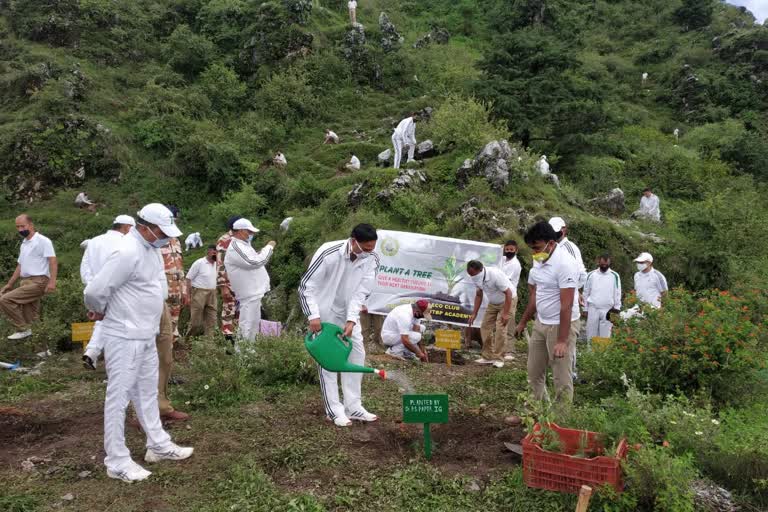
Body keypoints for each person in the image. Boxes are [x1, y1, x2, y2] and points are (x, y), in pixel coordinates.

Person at [84, 203, 193, 482]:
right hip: (124, 334)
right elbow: (96, 289)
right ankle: (117, 460)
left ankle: (157, 445)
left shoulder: (151, 250)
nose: (167, 238)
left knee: (146, 392)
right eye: (163, 232)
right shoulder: (127, 251)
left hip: (145, 334)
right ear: (145, 227)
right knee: (118, 397)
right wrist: (98, 309)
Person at [298, 223, 380, 427]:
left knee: (356, 356)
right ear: (354, 241)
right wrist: (313, 315)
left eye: (372, 248)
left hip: (348, 313)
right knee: (329, 362)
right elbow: (306, 286)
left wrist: (352, 320)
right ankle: (334, 410)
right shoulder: (329, 252)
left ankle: (353, 406)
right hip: (325, 313)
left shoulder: (372, 259)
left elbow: (362, 292)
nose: (370, 252)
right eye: (366, 248)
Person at [515, 221, 581, 403]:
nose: (534, 253)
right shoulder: (539, 260)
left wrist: (562, 340)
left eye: (537, 248)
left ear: (551, 243)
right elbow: (537, 293)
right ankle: (532, 414)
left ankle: (560, 423)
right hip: (541, 323)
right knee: (533, 371)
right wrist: (522, 321)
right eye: (531, 249)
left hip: (561, 326)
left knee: (561, 377)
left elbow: (566, 305)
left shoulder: (566, 264)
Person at [80, 215, 136, 369]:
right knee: (119, 328)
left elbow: (85, 268)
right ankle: (115, 365)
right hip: (120, 291)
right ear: (126, 227)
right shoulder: (126, 242)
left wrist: (92, 287)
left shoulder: (94, 241)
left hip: (96, 291)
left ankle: (91, 352)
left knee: (103, 321)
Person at [0, 214, 57, 340]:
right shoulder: (24, 243)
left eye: (22, 226)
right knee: (32, 318)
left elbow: (53, 261)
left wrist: (52, 282)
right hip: (25, 282)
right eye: (17, 227)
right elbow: (20, 266)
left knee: (5, 300)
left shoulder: (43, 241)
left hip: (39, 281)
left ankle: (22, 329)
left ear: (31, 225)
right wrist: (9, 284)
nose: (20, 229)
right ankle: (43, 352)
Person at [225, 218, 276, 343]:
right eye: (249, 231)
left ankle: (249, 354)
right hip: (249, 295)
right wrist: (269, 248)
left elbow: (253, 259)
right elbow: (254, 262)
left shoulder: (243, 245)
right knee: (247, 326)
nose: (251, 234)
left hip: (254, 294)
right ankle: (243, 357)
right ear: (241, 231)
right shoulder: (236, 247)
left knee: (252, 326)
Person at [466, 260, 514, 368]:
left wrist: (506, 313)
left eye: (473, 274)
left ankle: (499, 358)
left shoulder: (494, 275)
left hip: (507, 300)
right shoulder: (476, 277)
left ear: (481, 270)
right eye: (470, 274)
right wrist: (474, 313)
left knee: (500, 327)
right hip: (493, 303)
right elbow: (479, 295)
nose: (472, 277)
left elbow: (509, 293)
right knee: (485, 327)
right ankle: (488, 357)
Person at [583, 254, 622, 341]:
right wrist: (585, 309)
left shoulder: (615, 275)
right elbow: (586, 292)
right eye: (602, 263)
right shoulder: (591, 275)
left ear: (609, 263)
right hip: (593, 308)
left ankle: (603, 354)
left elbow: (617, 293)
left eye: (606, 264)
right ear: (598, 262)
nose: (604, 265)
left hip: (608, 309)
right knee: (591, 335)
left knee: (605, 337)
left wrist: (617, 309)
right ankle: (590, 354)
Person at [216, 216, 241, 341]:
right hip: (229, 283)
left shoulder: (241, 239)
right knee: (229, 311)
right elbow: (220, 264)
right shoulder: (225, 240)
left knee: (240, 312)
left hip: (241, 284)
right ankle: (228, 340)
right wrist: (223, 286)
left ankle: (239, 339)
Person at [185, 246, 218, 338]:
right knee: (195, 321)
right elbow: (188, 278)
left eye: (217, 253)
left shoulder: (217, 264)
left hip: (212, 293)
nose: (215, 255)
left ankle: (209, 344)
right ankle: (188, 341)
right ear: (208, 252)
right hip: (199, 292)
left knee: (212, 320)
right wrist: (187, 296)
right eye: (214, 253)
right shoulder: (199, 263)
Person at [502, 240, 522, 360]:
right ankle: (501, 348)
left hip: (511, 296)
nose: (509, 251)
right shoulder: (503, 260)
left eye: (511, 250)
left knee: (509, 322)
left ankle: (510, 350)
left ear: (516, 250)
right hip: (501, 295)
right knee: (500, 323)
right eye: (507, 249)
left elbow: (504, 279)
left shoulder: (515, 264)